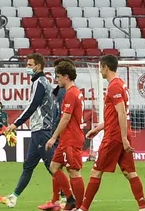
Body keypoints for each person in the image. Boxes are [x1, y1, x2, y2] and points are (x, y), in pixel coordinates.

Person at [80, 54, 145, 211]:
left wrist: (123, 139)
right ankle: (143, 208)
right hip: (120, 133)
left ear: (106, 67)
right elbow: (116, 114)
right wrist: (98, 128)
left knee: (96, 171)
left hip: (115, 136)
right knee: (129, 172)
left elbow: (122, 113)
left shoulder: (114, 87)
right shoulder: (121, 84)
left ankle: (83, 208)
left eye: (100, 67)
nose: (100, 71)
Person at [0, 53, 60, 210]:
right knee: (28, 166)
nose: (27, 68)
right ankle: (13, 197)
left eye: (29, 65)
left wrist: (16, 124)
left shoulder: (40, 82)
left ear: (38, 66)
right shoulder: (42, 82)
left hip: (42, 131)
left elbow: (32, 106)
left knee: (52, 167)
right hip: (38, 131)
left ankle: (69, 197)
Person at [49, 60, 87, 211]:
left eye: (58, 76)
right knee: (53, 166)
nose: (56, 79)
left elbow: (65, 118)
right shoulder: (74, 92)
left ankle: (80, 206)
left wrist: (53, 137)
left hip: (71, 138)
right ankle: (70, 199)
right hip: (66, 138)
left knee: (74, 171)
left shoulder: (71, 94)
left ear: (66, 76)